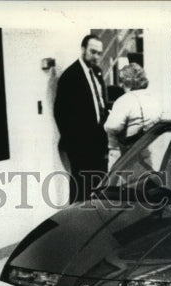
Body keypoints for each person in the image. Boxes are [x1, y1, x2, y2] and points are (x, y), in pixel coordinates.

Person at [54, 34, 108, 202]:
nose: (96, 56)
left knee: (99, 187)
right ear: (83, 49)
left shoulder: (97, 72)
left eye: (99, 53)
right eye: (93, 52)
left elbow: (100, 103)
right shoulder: (70, 76)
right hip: (80, 145)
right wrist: (75, 144)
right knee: (81, 189)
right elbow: (60, 113)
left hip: (98, 142)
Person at [103, 63, 161, 169]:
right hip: (148, 156)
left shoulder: (125, 100)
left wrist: (110, 117)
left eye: (122, 80)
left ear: (128, 81)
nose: (120, 85)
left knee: (120, 185)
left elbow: (112, 126)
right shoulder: (153, 99)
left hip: (123, 158)